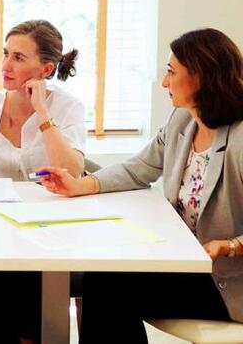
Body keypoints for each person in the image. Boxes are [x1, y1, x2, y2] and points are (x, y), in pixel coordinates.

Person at [39, 28, 243, 343]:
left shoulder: (240, 140)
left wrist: (232, 245)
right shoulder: (183, 120)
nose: (164, 82)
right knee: (104, 275)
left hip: (227, 283)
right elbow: (140, 167)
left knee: (110, 287)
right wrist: (80, 185)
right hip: (189, 266)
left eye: (172, 72)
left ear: (202, 77)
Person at [0, 19, 86, 344]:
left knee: (29, 263)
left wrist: (42, 113)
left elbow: (73, 168)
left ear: (45, 69)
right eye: (5, 54)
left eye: (18, 58)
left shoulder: (68, 107)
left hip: (52, 226)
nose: (5, 65)